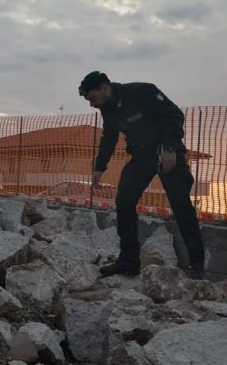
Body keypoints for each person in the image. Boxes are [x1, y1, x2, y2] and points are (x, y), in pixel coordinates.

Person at [80, 71, 205, 279]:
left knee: (181, 206)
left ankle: (197, 266)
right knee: (124, 202)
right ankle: (128, 262)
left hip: (167, 153)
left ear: (104, 87)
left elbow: (174, 115)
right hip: (141, 156)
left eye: (92, 98)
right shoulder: (107, 109)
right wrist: (99, 167)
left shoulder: (141, 91)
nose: (92, 104)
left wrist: (170, 147)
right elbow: (109, 137)